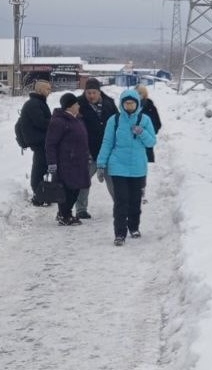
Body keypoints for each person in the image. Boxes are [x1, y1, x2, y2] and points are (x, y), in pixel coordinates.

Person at [97, 89, 157, 247]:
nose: (129, 106)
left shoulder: (145, 120)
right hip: (118, 166)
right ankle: (119, 233)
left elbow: (151, 142)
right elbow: (107, 142)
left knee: (135, 201)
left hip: (138, 167)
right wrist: (101, 164)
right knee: (121, 200)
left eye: (132, 103)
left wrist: (142, 132)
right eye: (126, 103)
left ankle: (134, 227)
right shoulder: (114, 120)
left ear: (137, 104)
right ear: (122, 104)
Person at [74, 77, 118, 220]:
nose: (91, 95)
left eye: (94, 92)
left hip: (108, 152)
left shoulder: (109, 103)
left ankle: (120, 206)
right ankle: (81, 209)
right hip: (88, 152)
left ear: (99, 92)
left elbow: (118, 123)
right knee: (84, 181)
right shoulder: (78, 105)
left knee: (113, 181)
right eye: (88, 93)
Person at [45, 93, 92, 226]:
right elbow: (51, 144)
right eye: (76, 104)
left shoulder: (76, 119)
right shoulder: (59, 121)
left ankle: (65, 213)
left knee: (76, 188)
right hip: (66, 161)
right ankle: (64, 215)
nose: (78, 105)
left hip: (78, 161)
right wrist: (52, 163)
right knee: (68, 189)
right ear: (70, 106)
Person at [19, 79, 53, 206]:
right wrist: (55, 122)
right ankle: (39, 196)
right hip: (38, 141)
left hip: (40, 140)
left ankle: (42, 194)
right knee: (39, 168)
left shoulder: (38, 102)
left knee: (42, 166)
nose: (50, 91)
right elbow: (40, 122)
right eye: (47, 89)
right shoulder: (34, 104)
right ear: (40, 90)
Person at [134, 84, 162, 163]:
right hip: (133, 146)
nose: (137, 96)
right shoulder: (129, 107)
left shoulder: (150, 108)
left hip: (146, 145)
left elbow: (158, 124)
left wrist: (146, 132)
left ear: (144, 94)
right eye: (135, 93)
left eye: (140, 93)